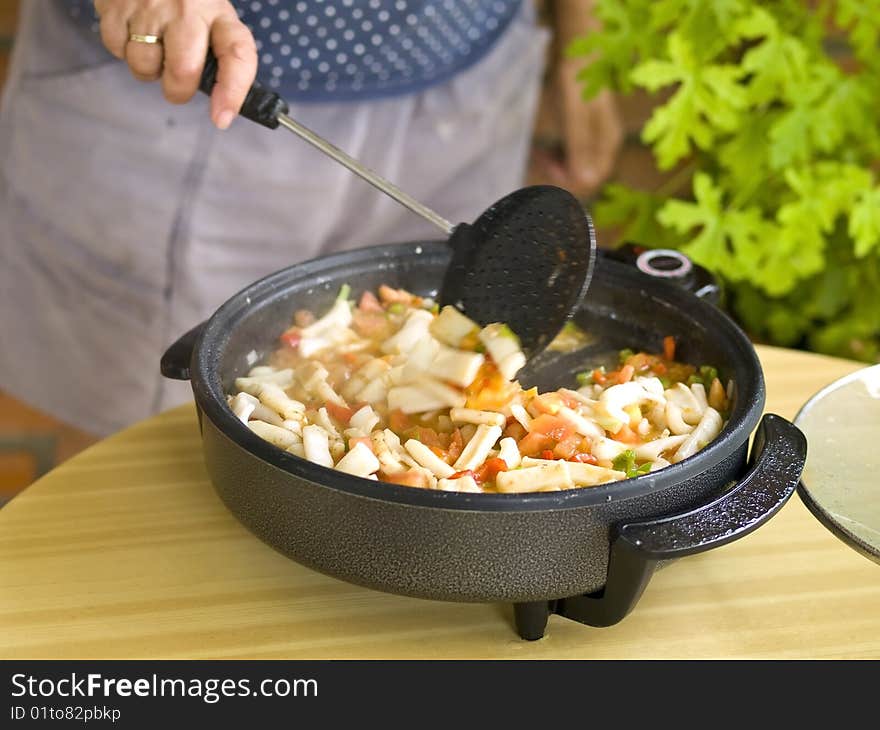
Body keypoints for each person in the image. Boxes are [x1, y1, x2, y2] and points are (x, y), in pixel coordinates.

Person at [0, 0, 621, 438]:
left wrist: (584, 29)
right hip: (196, 83)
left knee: (443, 396)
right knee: (147, 446)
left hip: (469, 73)